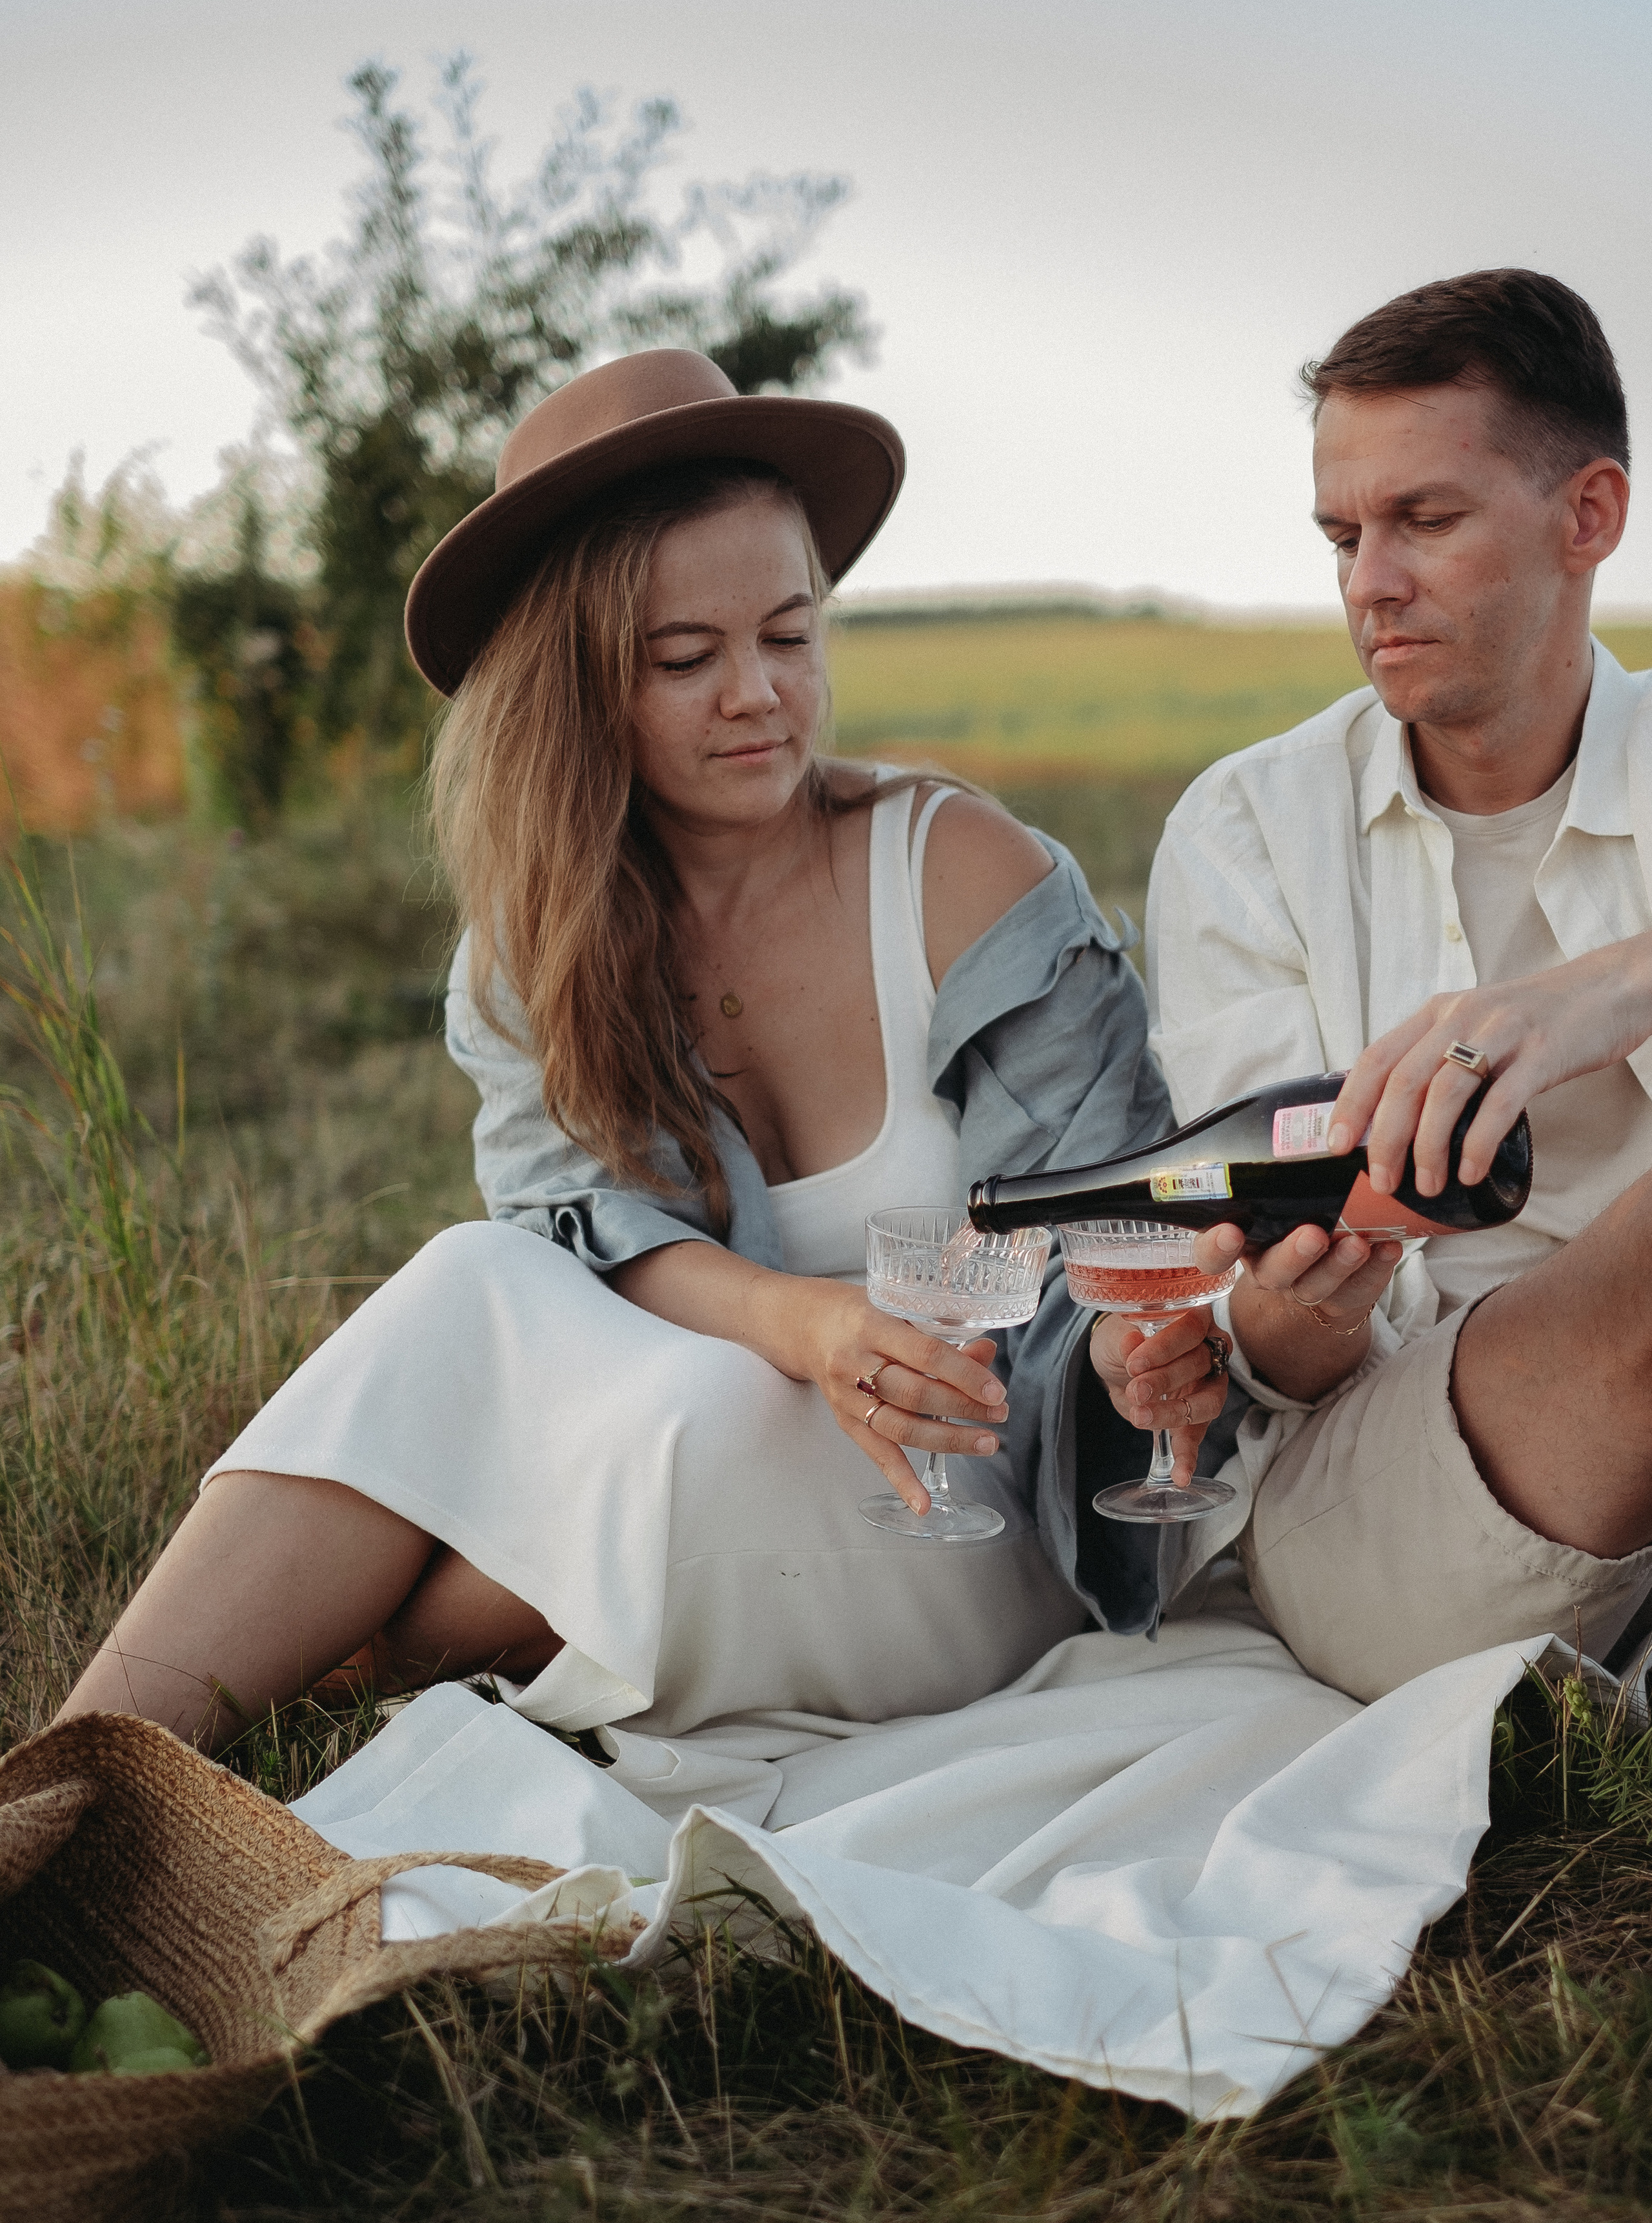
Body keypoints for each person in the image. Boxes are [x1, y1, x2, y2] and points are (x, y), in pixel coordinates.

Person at [57, 348, 1225, 1755]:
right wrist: (808, 1328)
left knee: (690, 1409)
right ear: (572, 687)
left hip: (974, 1506)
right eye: (686, 658)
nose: (758, 695)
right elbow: (584, 1264)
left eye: (789, 637)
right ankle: (71, 1783)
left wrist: (1096, 1349)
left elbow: (1100, 1233)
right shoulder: (535, 946)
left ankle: (320, 1663)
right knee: (495, 1283)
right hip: (696, 1460)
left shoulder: (958, 873)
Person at [1126, 268, 1652, 1704]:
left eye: (1424, 519)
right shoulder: (1246, 835)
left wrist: (1605, 990)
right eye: (1342, 534)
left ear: (1586, 516)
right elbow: (1269, 1357)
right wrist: (1302, 1306)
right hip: (1392, 1496)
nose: (1369, 581)